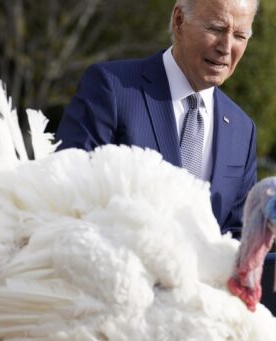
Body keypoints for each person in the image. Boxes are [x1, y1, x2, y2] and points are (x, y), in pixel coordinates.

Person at [55, 0, 258, 238]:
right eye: (215, 29)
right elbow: (66, 194)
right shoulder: (112, 88)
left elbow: (239, 235)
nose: (226, 47)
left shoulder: (242, 130)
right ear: (179, 20)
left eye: (240, 36)